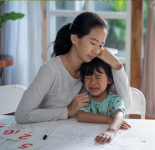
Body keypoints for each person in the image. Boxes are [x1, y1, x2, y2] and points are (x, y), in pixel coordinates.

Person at [15, 12, 132, 124]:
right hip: (42, 133)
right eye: (93, 43)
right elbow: (22, 114)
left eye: (101, 45)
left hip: (71, 133)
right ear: (74, 39)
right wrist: (69, 111)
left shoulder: (91, 71)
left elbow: (125, 104)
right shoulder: (50, 70)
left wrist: (117, 66)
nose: (97, 51)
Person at [77, 58, 131, 144]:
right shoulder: (85, 96)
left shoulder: (115, 99)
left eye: (98, 77)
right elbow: (80, 116)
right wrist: (108, 119)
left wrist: (111, 130)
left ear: (109, 80)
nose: (93, 82)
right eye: (88, 77)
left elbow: (119, 115)